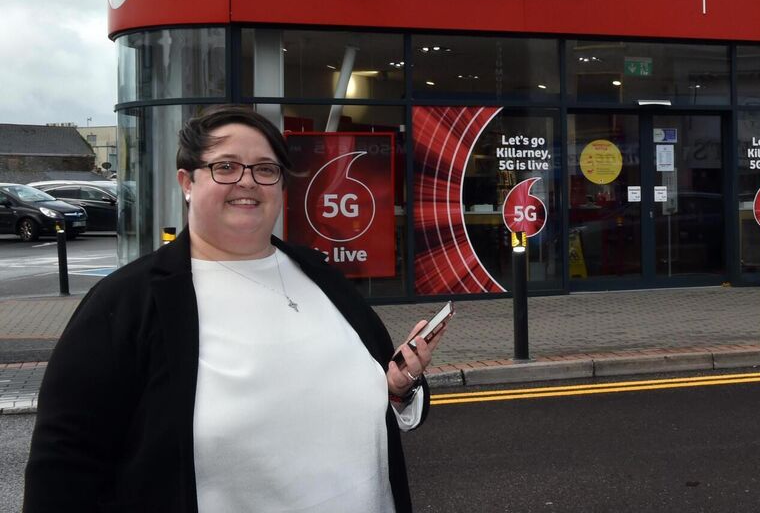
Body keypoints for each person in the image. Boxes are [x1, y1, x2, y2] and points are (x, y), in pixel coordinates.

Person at [25, 105, 446, 512]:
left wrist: (397, 389)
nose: (247, 181)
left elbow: (383, 396)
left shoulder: (321, 275)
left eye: (265, 169)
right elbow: (63, 470)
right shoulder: (125, 304)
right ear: (187, 182)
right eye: (225, 166)